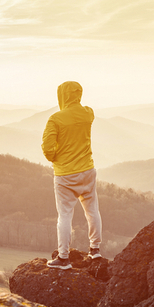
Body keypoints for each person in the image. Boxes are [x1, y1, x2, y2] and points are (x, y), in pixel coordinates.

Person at [42, 81, 102, 270]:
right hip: (88, 170)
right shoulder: (88, 113)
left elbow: (48, 149)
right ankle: (95, 249)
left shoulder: (55, 119)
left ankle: (63, 258)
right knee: (92, 210)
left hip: (65, 175)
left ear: (62, 96)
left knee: (65, 216)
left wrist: (57, 159)